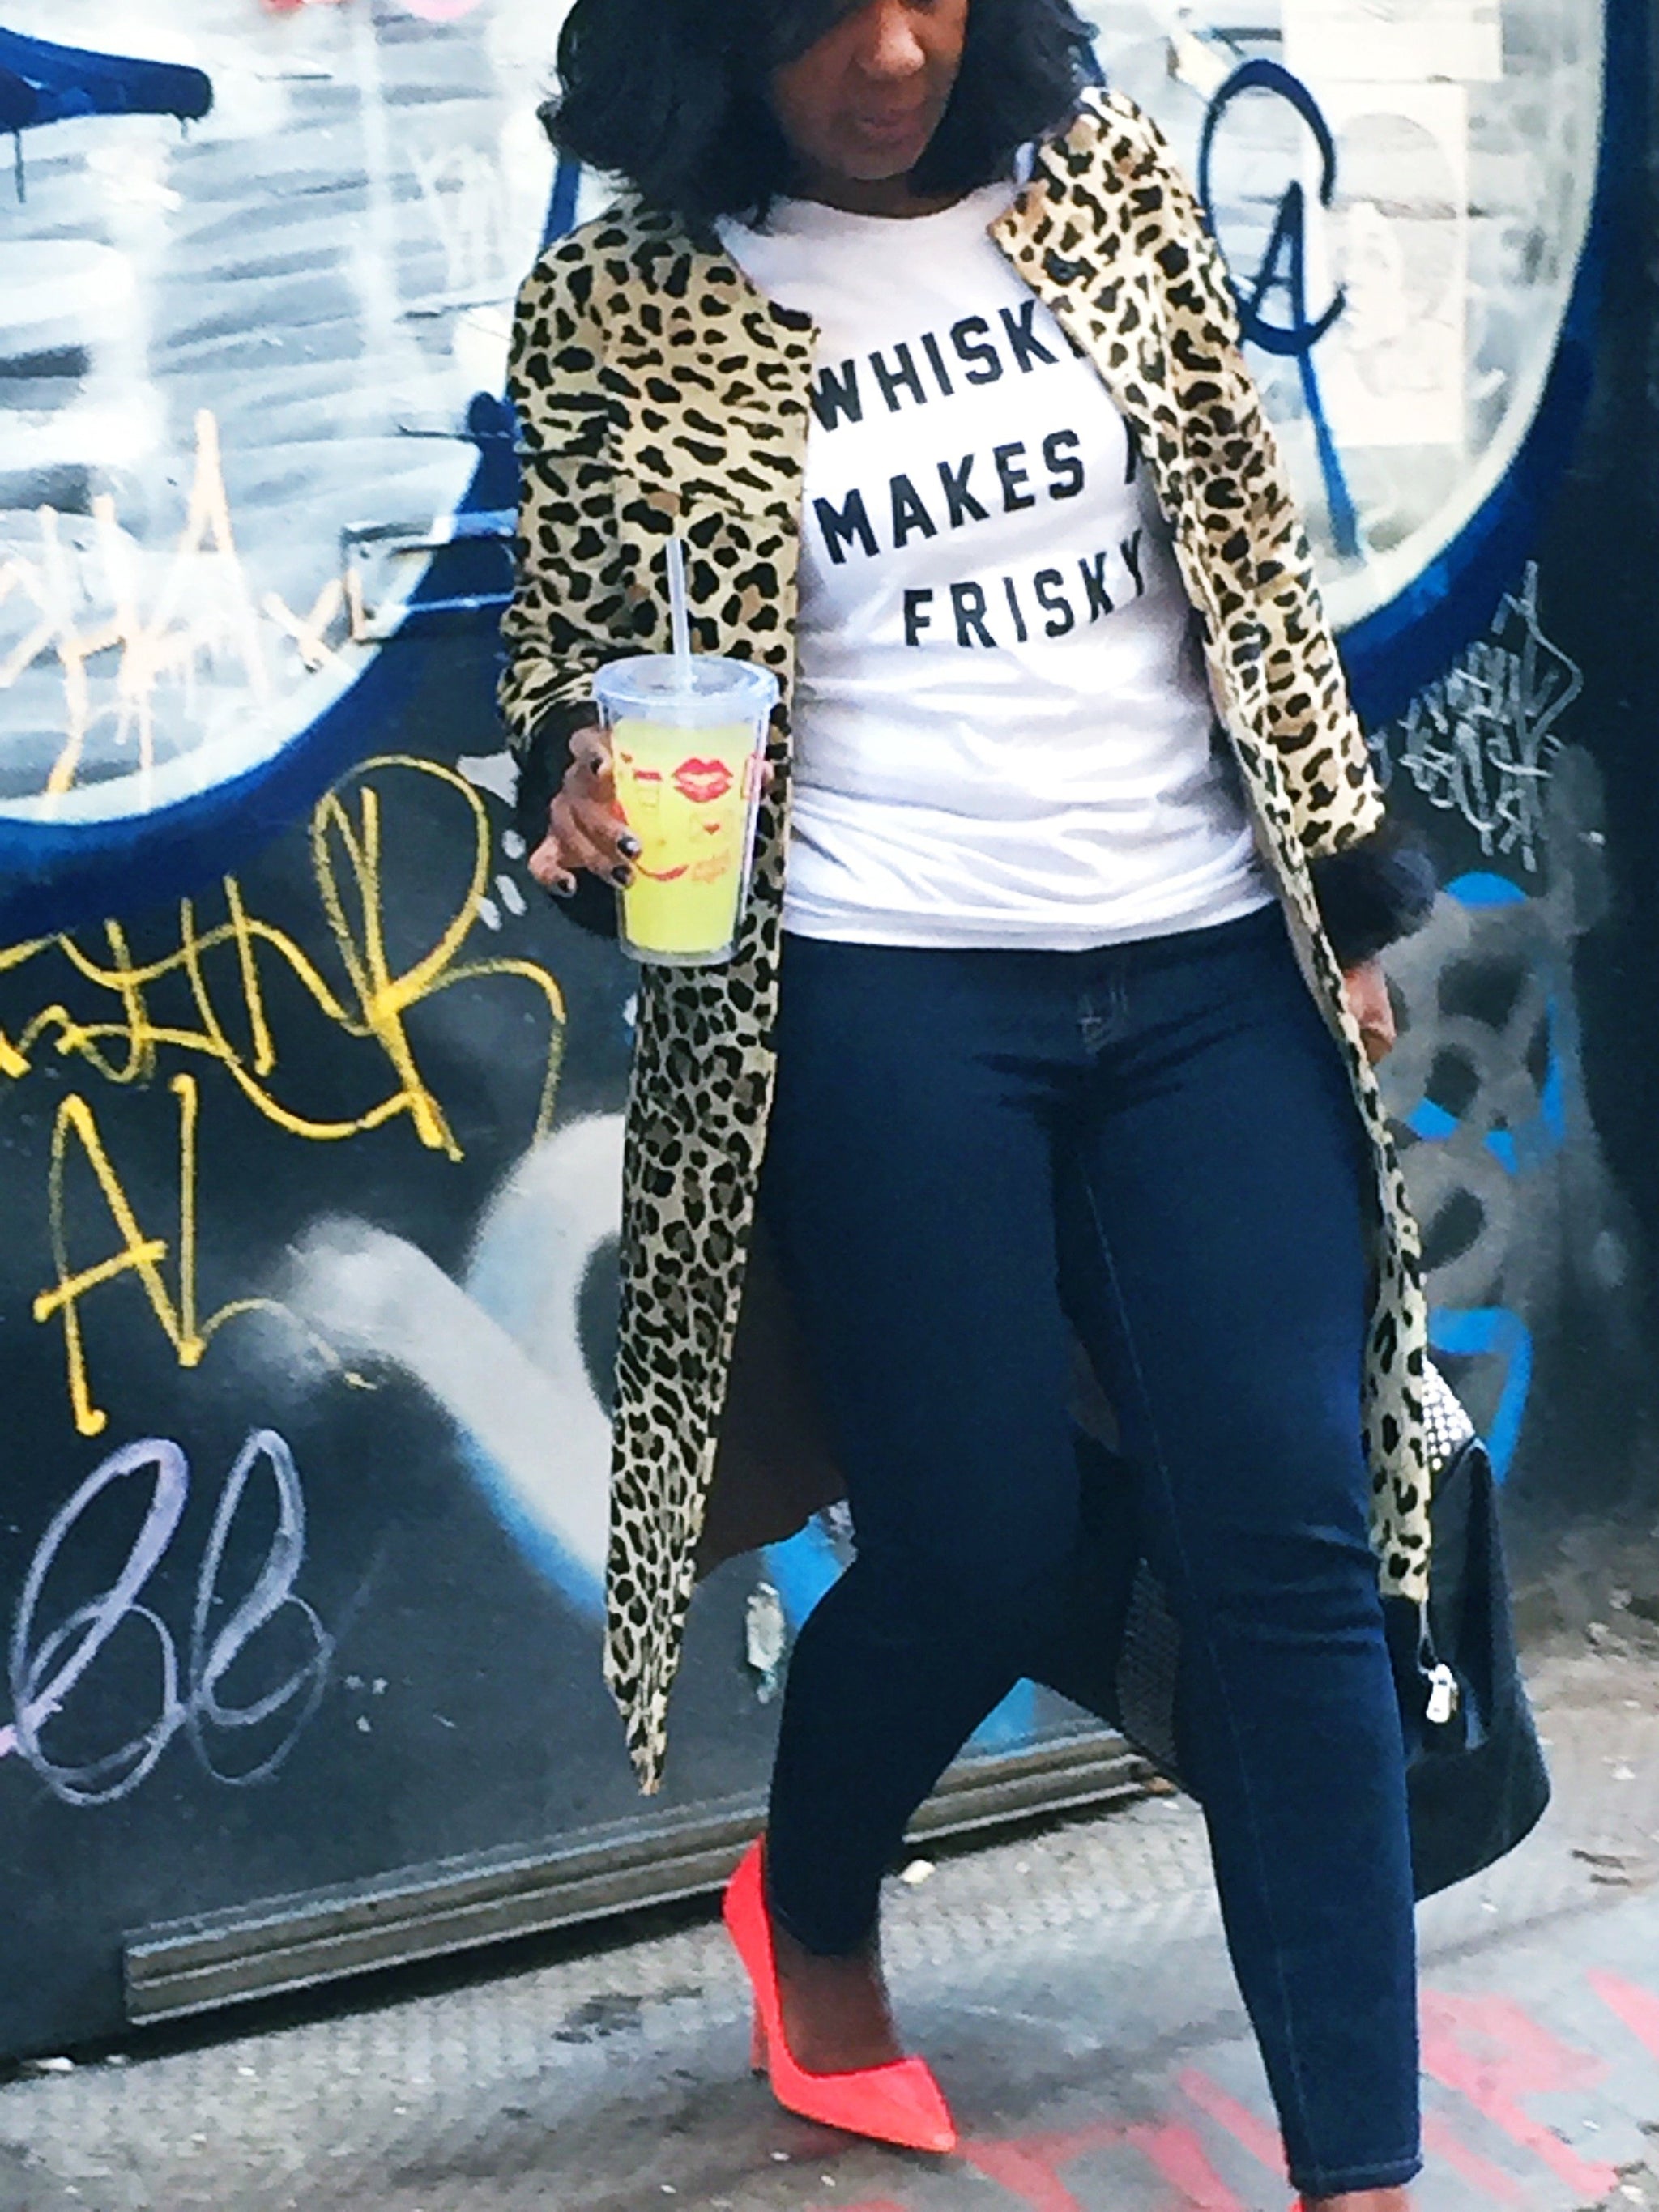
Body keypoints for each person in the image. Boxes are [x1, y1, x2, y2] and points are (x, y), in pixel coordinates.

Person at [500, 2, 1439, 2204]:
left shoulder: (1103, 191)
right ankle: (811, 1897)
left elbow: (1251, 560)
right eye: (819, 13)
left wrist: (1341, 882)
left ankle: (1366, 2173)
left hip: (1206, 961)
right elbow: (565, 657)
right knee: (982, 1544)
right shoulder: (623, 297)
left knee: (1291, 1554)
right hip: (880, 982)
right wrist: (576, 792)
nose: (895, 51)